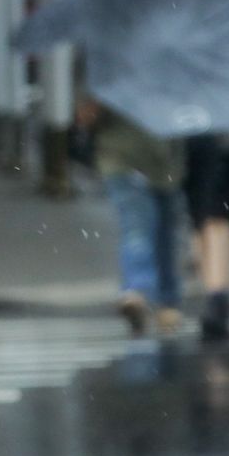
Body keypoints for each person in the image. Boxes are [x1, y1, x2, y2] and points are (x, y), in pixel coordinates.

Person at [80, 96, 185, 336]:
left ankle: (152, 296)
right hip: (136, 161)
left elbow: (85, 117)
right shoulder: (118, 71)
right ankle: (144, 293)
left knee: (157, 231)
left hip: (158, 163)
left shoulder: (113, 70)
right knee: (147, 228)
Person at [185, 135, 229, 340]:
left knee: (214, 217)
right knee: (203, 219)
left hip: (220, 143)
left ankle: (217, 295)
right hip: (198, 144)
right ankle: (215, 293)